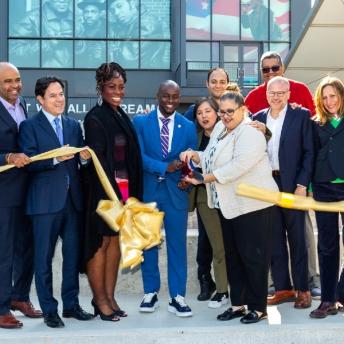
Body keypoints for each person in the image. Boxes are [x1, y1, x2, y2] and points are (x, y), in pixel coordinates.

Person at [181, 91, 278, 324]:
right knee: (234, 257)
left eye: (230, 111)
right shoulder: (220, 130)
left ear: (242, 109)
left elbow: (238, 165)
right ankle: (238, 305)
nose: (225, 116)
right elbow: (212, 156)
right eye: (222, 112)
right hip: (229, 205)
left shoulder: (251, 131)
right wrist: (195, 155)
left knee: (253, 258)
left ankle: (258, 307)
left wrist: (204, 178)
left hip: (254, 205)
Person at [18, 76, 93, 328]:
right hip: (44, 204)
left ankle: (71, 305)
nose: (59, 99)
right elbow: (27, 162)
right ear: (40, 99)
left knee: (72, 258)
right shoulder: (29, 126)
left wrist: (83, 159)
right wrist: (54, 159)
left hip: (72, 203)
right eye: (53, 95)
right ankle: (50, 309)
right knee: (43, 259)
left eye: (61, 94)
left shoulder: (73, 126)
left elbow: (80, 163)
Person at [245, 50, 320, 298]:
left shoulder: (300, 116)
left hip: (292, 183)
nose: (276, 96)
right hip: (268, 185)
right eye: (272, 93)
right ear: (266, 94)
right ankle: (283, 288)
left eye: (280, 93)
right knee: (274, 240)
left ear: (288, 94)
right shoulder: (257, 118)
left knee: (298, 238)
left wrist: (302, 184)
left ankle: (303, 289)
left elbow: (309, 152)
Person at [82, 62, 143, 322]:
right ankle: (100, 300)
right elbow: (101, 161)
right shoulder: (95, 117)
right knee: (101, 244)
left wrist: (129, 196)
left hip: (123, 191)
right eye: (111, 86)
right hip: (103, 193)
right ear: (101, 88)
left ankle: (109, 296)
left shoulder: (120, 115)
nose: (117, 91)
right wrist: (115, 195)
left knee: (115, 243)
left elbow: (127, 158)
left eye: (121, 86)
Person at [133, 80, 197, 317]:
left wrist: (186, 176)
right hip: (149, 191)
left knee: (177, 245)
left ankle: (177, 297)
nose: (170, 101)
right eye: (166, 96)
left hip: (176, 194)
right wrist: (164, 167)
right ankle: (150, 292)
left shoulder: (187, 126)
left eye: (175, 97)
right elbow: (137, 156)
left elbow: (191, 160)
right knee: (148, 243)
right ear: (157, 96)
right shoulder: (140, 122)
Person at [0, 62, 42, 329]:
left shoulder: (23, 103)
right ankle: (2, 307)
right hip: (4, 193)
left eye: (17, 80)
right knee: (4, 252)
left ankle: (19, 296)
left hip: (29, 189)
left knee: (28, 248)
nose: (15, 86)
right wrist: (8, 156)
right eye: (7, 82)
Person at [184, 67, 229, 300]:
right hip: (204, 194)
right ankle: (208, 281)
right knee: (208, 241)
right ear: (208, 83)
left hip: (229, 192)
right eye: (214, 81)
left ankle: (229, 286)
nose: (204, 115)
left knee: (229, 241)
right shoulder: (195, 128)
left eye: (208, 111)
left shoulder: (231, 127)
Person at [309, 76, 344, 319]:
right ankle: (328, 300)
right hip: (323, 189)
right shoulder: (314, 124)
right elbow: (309, 156)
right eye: (325, 97)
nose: (329, 101)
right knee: (327, 247)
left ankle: (341, 294)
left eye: (333, 95)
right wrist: (309, 186)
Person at [11, 0, 73, 68]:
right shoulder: (32, 17)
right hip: (43, 75)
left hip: (72, 74)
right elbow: (14, 51)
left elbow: (84, 55)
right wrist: (48, 43)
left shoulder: (75, 17)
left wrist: (78, 43)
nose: (63, 1)